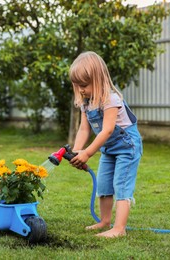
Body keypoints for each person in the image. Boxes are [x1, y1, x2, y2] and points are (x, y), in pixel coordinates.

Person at [68, 51, 143, 238]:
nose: (80, 90)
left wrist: (88, 153)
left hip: (127, 146)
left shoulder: (111, 99)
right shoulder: (86, 103)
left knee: (122, 185)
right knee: (103, 185)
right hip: (108, 148)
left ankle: (119, 229)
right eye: (77, 86)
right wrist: (77, 151)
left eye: (84, 85)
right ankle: (105, 221)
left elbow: (107, 130)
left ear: (98, 79)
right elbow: (84, 129)